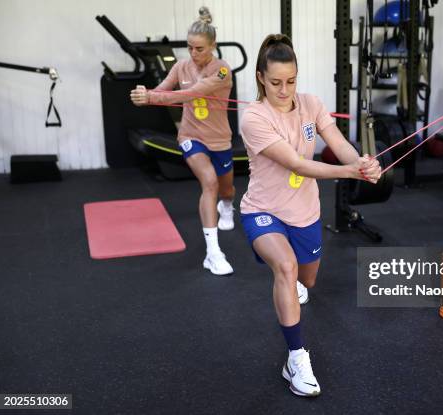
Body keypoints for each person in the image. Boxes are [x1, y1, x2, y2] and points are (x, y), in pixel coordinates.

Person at [239, 34, 381, 397]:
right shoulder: (254, 117)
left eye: (291, 81)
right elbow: (298, 164)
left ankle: (293, 289)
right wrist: (348, 174)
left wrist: (361, 163)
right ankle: (296, 359)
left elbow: (338, 143)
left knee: (307, 280)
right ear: (260, 77)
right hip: (263, 211)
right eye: (275, 83)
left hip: (304, 213)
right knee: (285, 267)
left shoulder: (311, 105)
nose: (284, 90)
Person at [130, 7, 235, 276]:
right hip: (191, 136)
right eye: (190, 48)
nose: (193, 54)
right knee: (209, 182)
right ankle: (213, 253)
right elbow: (164, 89)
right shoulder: (181, 66)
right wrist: (147, 93)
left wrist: (152, 99)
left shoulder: (223, 71)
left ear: (213, 46)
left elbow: (194, 92)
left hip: (220, 139)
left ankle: (227, 207)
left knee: (226, 190)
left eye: (199, 48)